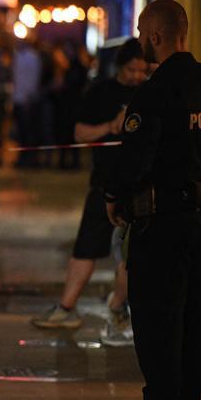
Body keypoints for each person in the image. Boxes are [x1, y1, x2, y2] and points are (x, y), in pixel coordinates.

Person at [104, 0, 201, 400]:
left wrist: (114, 197)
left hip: (160, 225)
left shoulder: (154, 92)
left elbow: (135, 159)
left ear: (155, 36)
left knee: (156, 331)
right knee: (193, 329)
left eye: (141, 32)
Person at [32, 38, 146, 345]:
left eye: (142, 70)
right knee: (87, 246)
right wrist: (111, 126)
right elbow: (80, 133)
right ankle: (67, 306)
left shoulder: (151, 93)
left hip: (139, 185)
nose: (137, 76)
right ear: (121, 66)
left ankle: (118, 307)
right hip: (105, 182)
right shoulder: (101, 92)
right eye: (132, 69)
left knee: (130, 254)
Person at [12, 38, 43, 168]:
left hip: (28, 100)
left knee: (29, 131)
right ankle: (23, 158)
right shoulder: (17, 57)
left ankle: (31, 159)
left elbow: (33, 79)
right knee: (21, 132)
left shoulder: (32, 58)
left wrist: (28, 97)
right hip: (18, 99)